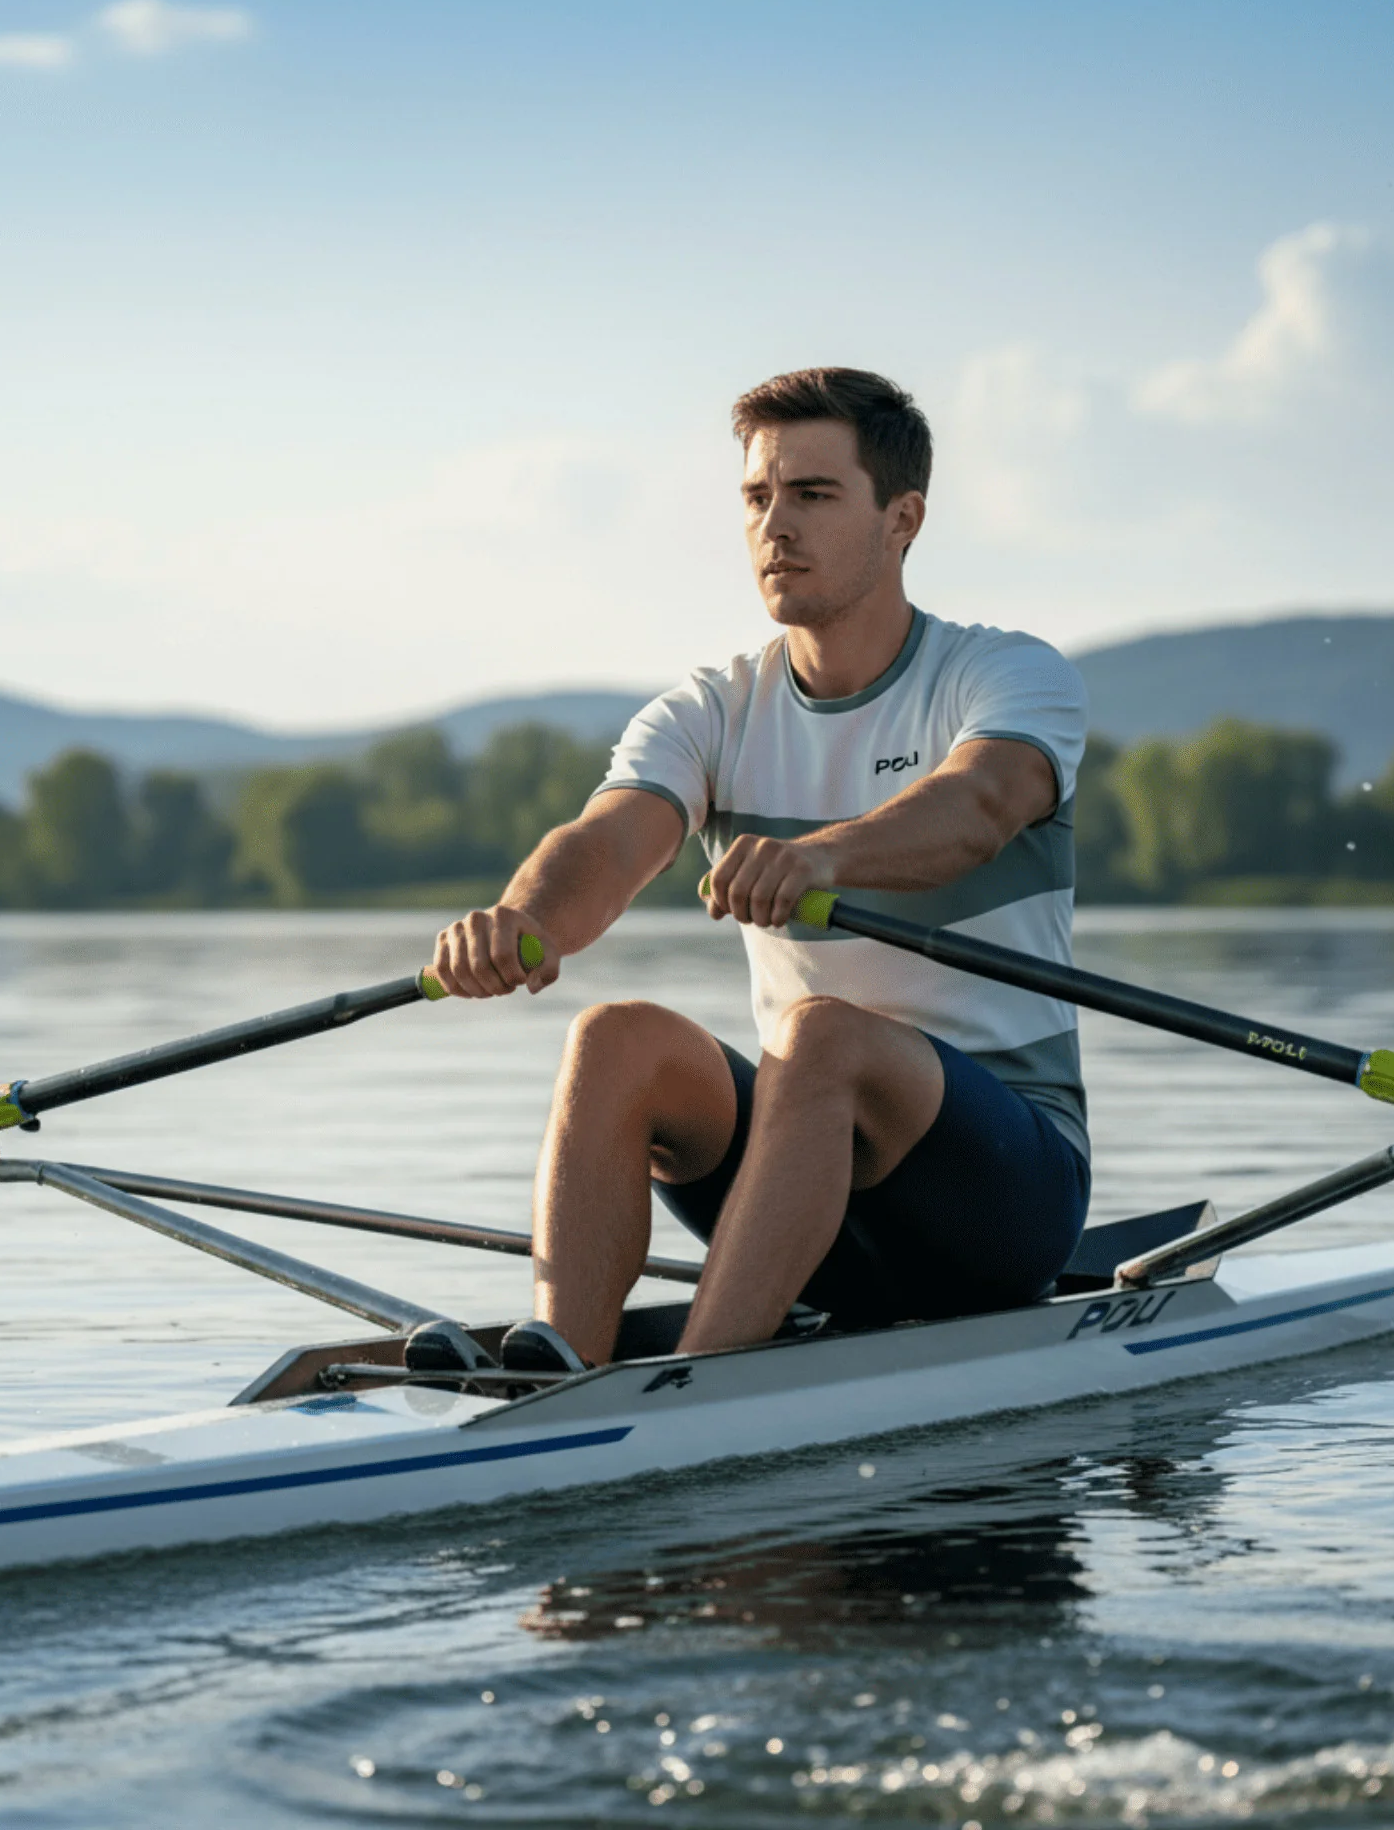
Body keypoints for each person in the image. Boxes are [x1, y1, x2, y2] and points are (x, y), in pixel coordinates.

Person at [411, 367, 1090, 1378]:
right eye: (757, 496)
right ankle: (561, 1361)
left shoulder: (1005, 674)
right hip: (810, 1190)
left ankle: (696, 1384)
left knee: (819, 1035)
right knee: (615, 1036)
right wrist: (522, 918)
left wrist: (823, 856)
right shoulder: (712, 708)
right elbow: (608, 844)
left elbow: (979, 808)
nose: (776, 525)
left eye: (813, 494)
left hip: (999, 1197)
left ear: (901, 519)